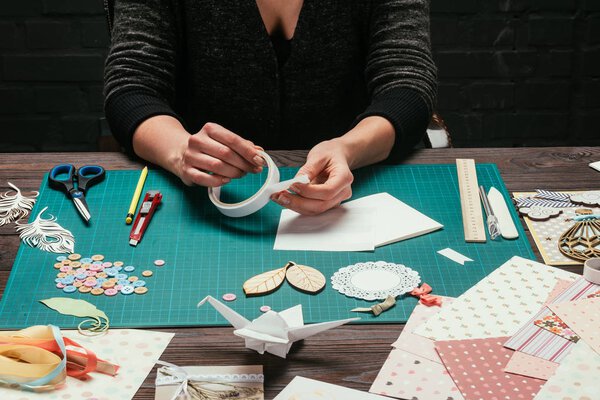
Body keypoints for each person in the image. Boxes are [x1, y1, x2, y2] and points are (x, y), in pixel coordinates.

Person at [103, 0, 437, 215]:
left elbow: (406, 85)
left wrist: (349, 149)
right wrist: (180, 151)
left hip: (355, 190)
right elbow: (131, 86)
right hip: (199, 194)